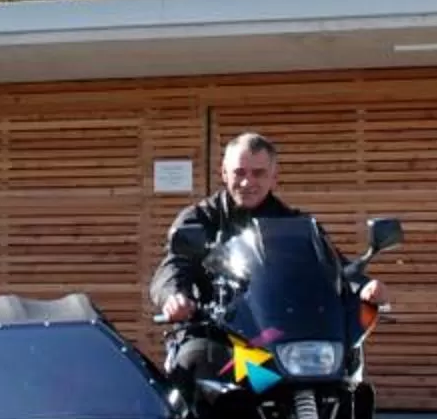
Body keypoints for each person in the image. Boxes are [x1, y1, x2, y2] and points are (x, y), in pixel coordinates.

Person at [149, 130, 382, 335]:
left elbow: (331, 265)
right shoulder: (199, 218)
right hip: (213, 330)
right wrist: (174, 296)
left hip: (278, 334)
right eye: (239, 172)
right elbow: (174, 265)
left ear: (274, 178)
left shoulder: (296, 224)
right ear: (224, 173)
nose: (246, 182)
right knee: (192, 360)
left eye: (258, 173)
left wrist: (363, 286)